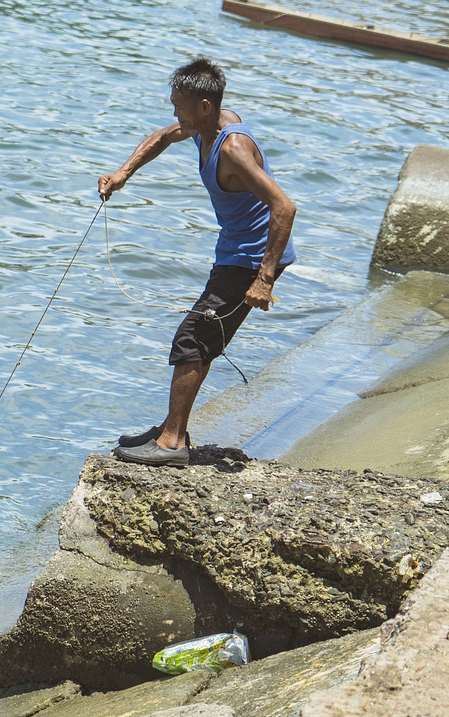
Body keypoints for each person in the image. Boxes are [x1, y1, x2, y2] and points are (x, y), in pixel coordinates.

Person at [98, 57, 296, 467]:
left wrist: (265, 279)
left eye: (181, 106)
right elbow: (162, 136)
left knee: (193, 339)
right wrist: (122, 174)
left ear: (205, 106)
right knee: (199, 339)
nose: (175, 114)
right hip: (233, 252)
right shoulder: (205, 126)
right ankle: (174, 427)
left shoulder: (234, 147)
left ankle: (171, 444)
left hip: (251, 259)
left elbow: (284, 207)